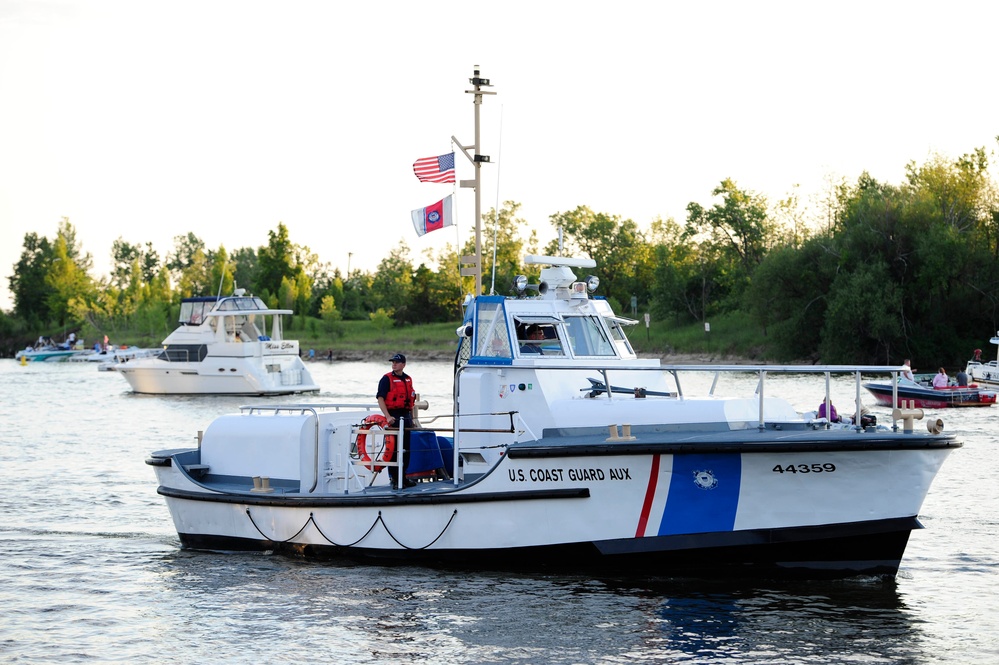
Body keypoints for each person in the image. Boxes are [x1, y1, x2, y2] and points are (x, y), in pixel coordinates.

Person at [377, 352, 417, 488]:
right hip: (393, 416)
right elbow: (380, 398)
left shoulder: (408, 379)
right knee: (394, 449)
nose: (394, 364)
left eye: (397, 362)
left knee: (406, 449)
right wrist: (388, 416)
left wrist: (412, 419)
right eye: (392, 362)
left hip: (405, 416)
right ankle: (394, 479)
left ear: (403, 365)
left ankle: (403, 477)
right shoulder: (386, 379)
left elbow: (411, 401)